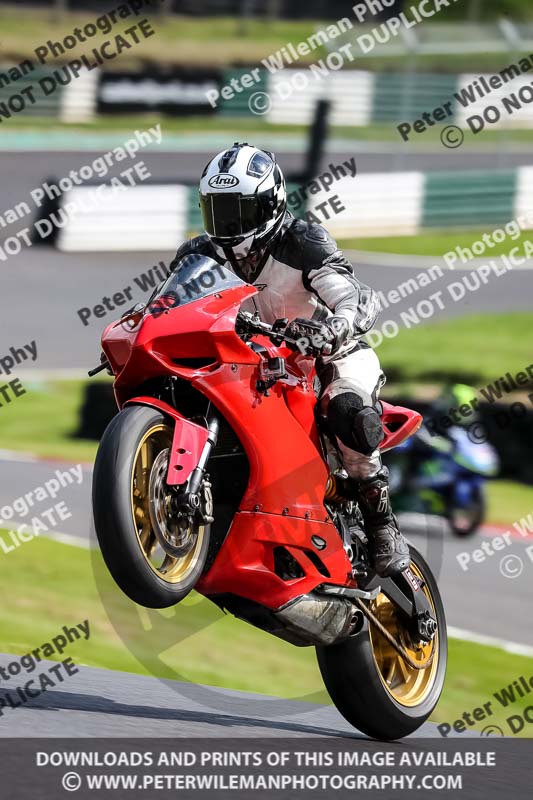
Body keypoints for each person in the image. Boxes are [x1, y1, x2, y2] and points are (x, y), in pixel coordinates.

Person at [169, 143, 410, 577]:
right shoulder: (198, 255)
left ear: (270, 206)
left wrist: (334, 326)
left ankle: (380, 522)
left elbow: (353, 295)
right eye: (218, 210)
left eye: (239, 211)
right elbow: (169, 306)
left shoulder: (302, 242)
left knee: (348, 411)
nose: (228, 224)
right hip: (252, 364)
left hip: (324, 357)